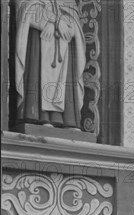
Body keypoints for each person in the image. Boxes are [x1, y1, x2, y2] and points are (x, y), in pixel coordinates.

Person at [15, 0, 86, 129]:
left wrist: (64, 23)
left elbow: (75, 24)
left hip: (64, 49)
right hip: (38, 39)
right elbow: (23, 10)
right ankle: (39, 117)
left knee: (66, 80)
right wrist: (51, 22)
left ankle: (68, 119)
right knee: (37, 73)